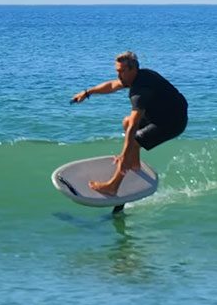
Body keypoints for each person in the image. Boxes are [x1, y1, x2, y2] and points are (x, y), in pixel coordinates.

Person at [71, 51, 188, 212]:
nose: (118, 75)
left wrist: (125, 153)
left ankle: (113, 186)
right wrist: (87, 93)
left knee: (132, 140)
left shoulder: (140, 90)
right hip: (161, 113)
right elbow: (112, 85)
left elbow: (134, 124)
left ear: (132, 69)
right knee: (126, 122)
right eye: (117, 71)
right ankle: (134, 163)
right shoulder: (138, 76)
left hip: (171, 122)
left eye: (121, 71)